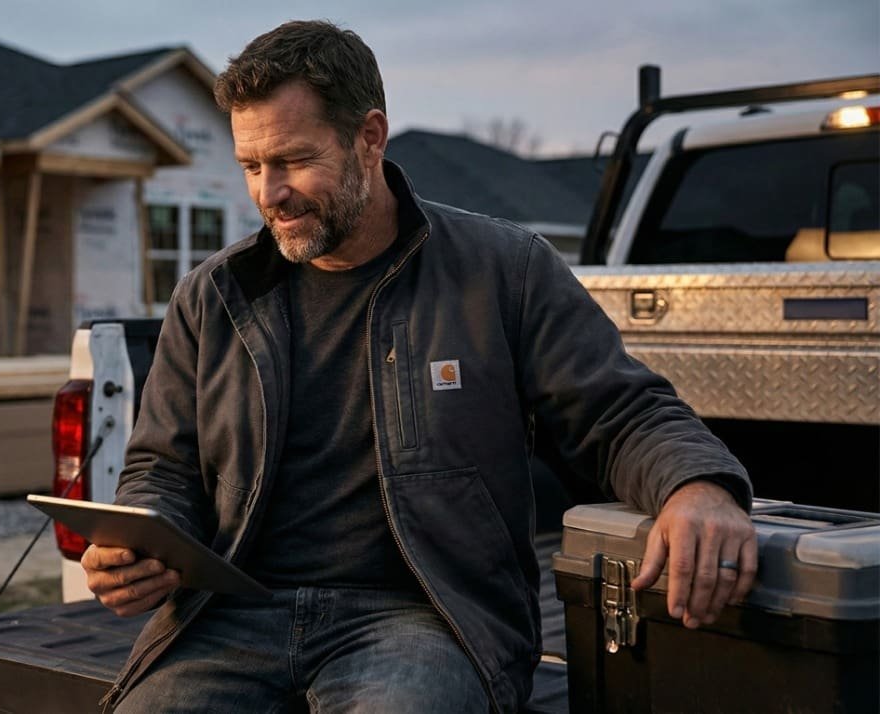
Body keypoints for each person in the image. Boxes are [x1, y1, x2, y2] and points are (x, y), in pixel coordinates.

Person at [83, 20, 757, 714]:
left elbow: (619, 412)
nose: (269, 192)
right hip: (231, 614)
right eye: (251, 166)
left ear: (369, 138)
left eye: (292, 159)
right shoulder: (214, 295)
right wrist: (142, 535)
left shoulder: (504, 270)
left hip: (424, 616)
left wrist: (693, 485)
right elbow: (161, 466)